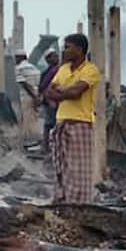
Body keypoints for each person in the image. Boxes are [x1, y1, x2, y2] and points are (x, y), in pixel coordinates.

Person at [45, 34, 102, 204]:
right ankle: (64, 201)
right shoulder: (63, 69)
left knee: (79, 170)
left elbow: (76, 93)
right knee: (61, 167)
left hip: (81, 124)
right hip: (61, 122)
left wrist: (61, 92)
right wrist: (66, 92)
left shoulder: (90, 70)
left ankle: (79, 205)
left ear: (79, 49)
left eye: (68, 47)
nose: (64, 51)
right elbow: (48, 93)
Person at [13, 48, 42, 144]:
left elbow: (24, 84)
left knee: (28, 118)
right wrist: (37, 96)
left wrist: (34, 96)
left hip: (28, 96)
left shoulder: (19, 68)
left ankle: (33, 140)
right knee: (34, 117)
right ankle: (29, 138)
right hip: (36, 94)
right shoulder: (34, 68)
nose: (14, 60)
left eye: (15, 58)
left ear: (19, 58)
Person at [38, 49, 61, 152]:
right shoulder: (51, 71)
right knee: (50, 124)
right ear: (48, 59)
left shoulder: (55, 70)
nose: (57, 58)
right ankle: (47, 146)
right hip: (51, 100)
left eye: (56, 56)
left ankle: (50, 146)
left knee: (53, 124)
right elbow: (43, 86)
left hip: (55, 99)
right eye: (54, 56)